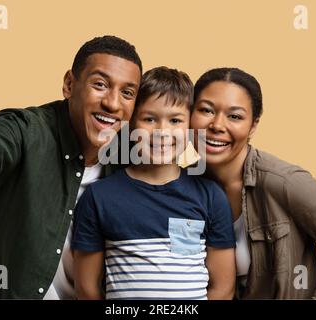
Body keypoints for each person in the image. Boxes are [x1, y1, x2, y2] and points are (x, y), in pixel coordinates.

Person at [0, 35, 142, 299]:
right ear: (69, 84)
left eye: (127, 93)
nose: (112, 103)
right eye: (100, 84)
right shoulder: (28, 131)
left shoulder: (130, 158)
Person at [190, 67, 316, 299]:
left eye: (235, 116)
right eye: (206, 110)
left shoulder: (283, 181)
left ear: (253, 126)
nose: (217, 125)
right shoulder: (181, 186)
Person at [71, 66, 236, 300]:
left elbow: (223, 288)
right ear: (131, 125)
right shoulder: (98, 197)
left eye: (175, 120)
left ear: (189, 127)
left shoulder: (210, 196)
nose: (161, 132)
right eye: (149, 119)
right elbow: (87, 290)